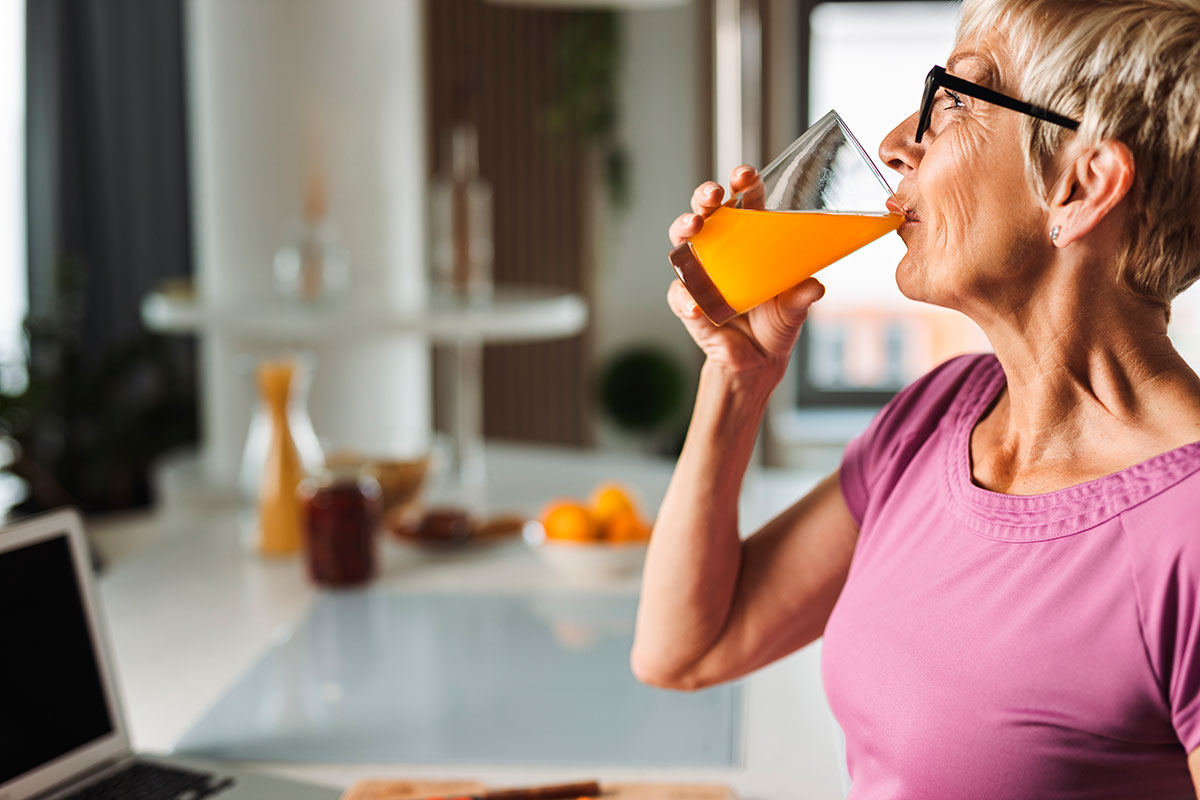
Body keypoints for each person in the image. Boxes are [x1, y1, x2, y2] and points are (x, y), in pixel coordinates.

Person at [630, 0, 1200, 796]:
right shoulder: (942, 414)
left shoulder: (1188, 531)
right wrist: (739, 377)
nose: (898, 144)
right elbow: (683, 649)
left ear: (1082, 184)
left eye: (957, 99)